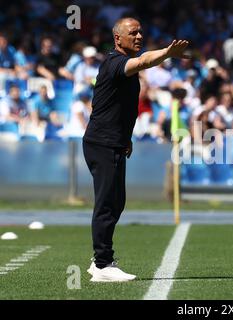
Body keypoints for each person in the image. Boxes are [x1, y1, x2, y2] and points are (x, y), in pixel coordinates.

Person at [83, 17, 189, 282]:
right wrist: (167, 53)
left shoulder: (125, 67)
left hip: (113, 142)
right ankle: (103, 264)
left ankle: (99, 260)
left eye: (141, 31)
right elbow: (143, 61)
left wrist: (124, 137)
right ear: (118, 38)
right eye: (133, 33)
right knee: (107, 203)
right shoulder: (115, 63)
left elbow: (109, 106)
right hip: (102, 143)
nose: (139, 36)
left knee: (116, 202)